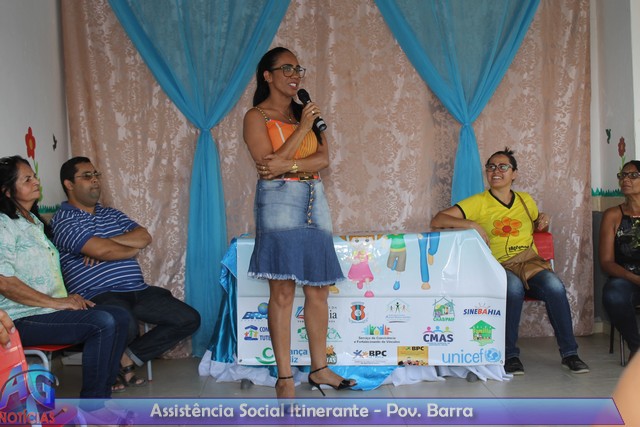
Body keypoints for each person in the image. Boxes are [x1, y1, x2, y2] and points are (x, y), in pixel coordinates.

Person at [243, 47, 355, 399]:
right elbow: (266, 165)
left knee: (318, 288)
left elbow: (322, 159)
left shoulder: (305, 113)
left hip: (314, 200)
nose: (295, 75)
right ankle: (285, 377)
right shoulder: (256, 116)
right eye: (287, 68)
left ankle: (320, 369)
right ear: (268, 75)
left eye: (298, 69)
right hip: (278, 203)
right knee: (282, 291)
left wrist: (288, 163)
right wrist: (302, 130)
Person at [431, 147, 589, 375]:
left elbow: (536, 226)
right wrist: (472, 224)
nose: (496, 171)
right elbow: (437, 220)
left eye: (503, 166)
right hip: (497, 266)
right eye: (491, 167)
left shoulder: (525, 200)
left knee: (555, 286)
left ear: (514, 173)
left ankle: (570, 353)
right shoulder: (478, 202)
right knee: (513, 288)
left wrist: (543, 219)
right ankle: (509, 356)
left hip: (528, 263)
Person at [50, 156, 201, 389]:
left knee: (188, 319)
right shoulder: (64, 220)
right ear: (69, 184)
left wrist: (106, 242)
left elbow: (144, 237)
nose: (95, 180)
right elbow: (106, 250)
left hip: (137, 290)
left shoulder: (112, 214)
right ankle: (113, 369)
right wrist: (120, 249)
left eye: (96, 175)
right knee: (125, 324)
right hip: (98, 294)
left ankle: (127, 358)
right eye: (87, 176)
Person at [0, 155, 129, 398]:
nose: (36, 182)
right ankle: (94, 407)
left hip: (46, 310)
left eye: (34, 176)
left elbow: (42, 276)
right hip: (19, 318)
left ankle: (103, 391)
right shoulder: (3, 224)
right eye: (27, 179)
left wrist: (68, 297)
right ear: (7, 191)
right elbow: (4, 282)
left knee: (120, 316)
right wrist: (58, 303)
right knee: (101, 322)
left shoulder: (34, 223)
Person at [600, 160, 640, 362]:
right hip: (626, 278)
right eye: (623, 175)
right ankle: (636, 346)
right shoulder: (613, 215)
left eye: (633, 175)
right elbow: (606, 262)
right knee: (613, 294)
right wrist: (634, 278)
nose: (626, 179)